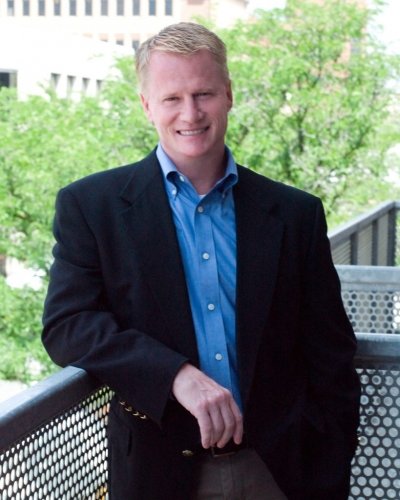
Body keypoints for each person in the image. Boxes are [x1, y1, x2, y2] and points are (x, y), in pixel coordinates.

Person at [42, 22, 360, 500]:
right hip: (159, 474)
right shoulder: (92, 207)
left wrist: (327, 467)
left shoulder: (296, 214)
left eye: (204, 93)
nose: (190, 112)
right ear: (147, 105)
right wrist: (173, 374)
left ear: (229, 95)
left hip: (281, 471)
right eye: (172, 98)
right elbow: (67, 324)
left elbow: (331, 356)